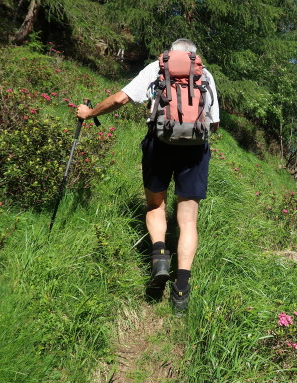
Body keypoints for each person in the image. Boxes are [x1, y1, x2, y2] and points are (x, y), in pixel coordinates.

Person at [76, 38, 219, 314]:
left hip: (160, 143)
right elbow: (214, 122)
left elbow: (120, 98)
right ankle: (181, 292)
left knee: (156, 205)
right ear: (193, 56)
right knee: (188, 220)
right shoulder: (206, 75)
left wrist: (90, 112)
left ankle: (160, 258)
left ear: (172, 52)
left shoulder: (156, 67)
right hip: (195, 150)